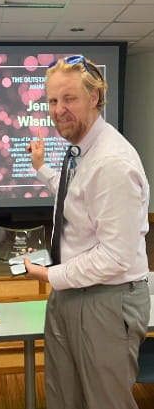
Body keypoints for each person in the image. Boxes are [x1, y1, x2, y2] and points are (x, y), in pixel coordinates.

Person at [25, 55, 150, 409]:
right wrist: (41, 169)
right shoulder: (79, 150)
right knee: (66, 399)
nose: (58, 110)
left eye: (69, 99)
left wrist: (52, 275)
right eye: (52, 100)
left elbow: (115, 256)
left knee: (105, 402)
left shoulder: (113, 162)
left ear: (94, 98)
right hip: (74, 293)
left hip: (105, 301)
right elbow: (77, 198)